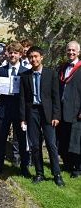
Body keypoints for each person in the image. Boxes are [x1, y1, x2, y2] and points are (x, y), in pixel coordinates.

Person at [20, 46, 65, 186]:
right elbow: (22, 99)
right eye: (31, 57)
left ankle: (56, 174)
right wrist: (23, 118)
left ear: (41, 57)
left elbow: (55, 96)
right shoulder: (25, 76)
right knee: (35, 145)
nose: (33, 59)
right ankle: (39, 173)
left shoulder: (51, 73)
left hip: (48, 113)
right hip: (32, 111)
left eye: (36, 56)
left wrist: (56, 115)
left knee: (51, 144)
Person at [0, 42, 30, 179]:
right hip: (4, 110)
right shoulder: (1, 70)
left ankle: (24, 168)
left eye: (15, 53)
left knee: (22, 140)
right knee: (1, 140)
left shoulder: (25, 72)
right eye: (11, 52)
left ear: (20, 54)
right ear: (7, 54)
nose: (13, 55)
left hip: (19, 111)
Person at [58, 41, 81, 178]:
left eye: (73, 50)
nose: (71, 52)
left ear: (78, 52)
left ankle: (77, 168)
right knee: (64, 138)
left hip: (76, 110)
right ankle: (67, 164)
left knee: (76, 140)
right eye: (69, 50)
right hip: (63, 109)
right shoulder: (63, 68)